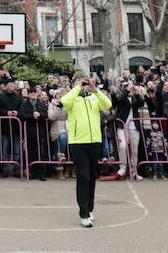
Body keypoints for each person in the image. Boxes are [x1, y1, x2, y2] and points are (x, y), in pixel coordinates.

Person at [62, 74, 113, 228]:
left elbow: (107, 105)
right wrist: (77, 87)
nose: (83, 83)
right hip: (78, 143)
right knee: (83, 177)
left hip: (94, 142)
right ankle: (83, 213)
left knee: (91, 177)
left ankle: (90, 209)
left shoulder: (93, 98)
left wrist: (95, 90)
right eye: (78, 80)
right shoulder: (73, 99)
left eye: (84, 80)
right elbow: (65, 101)